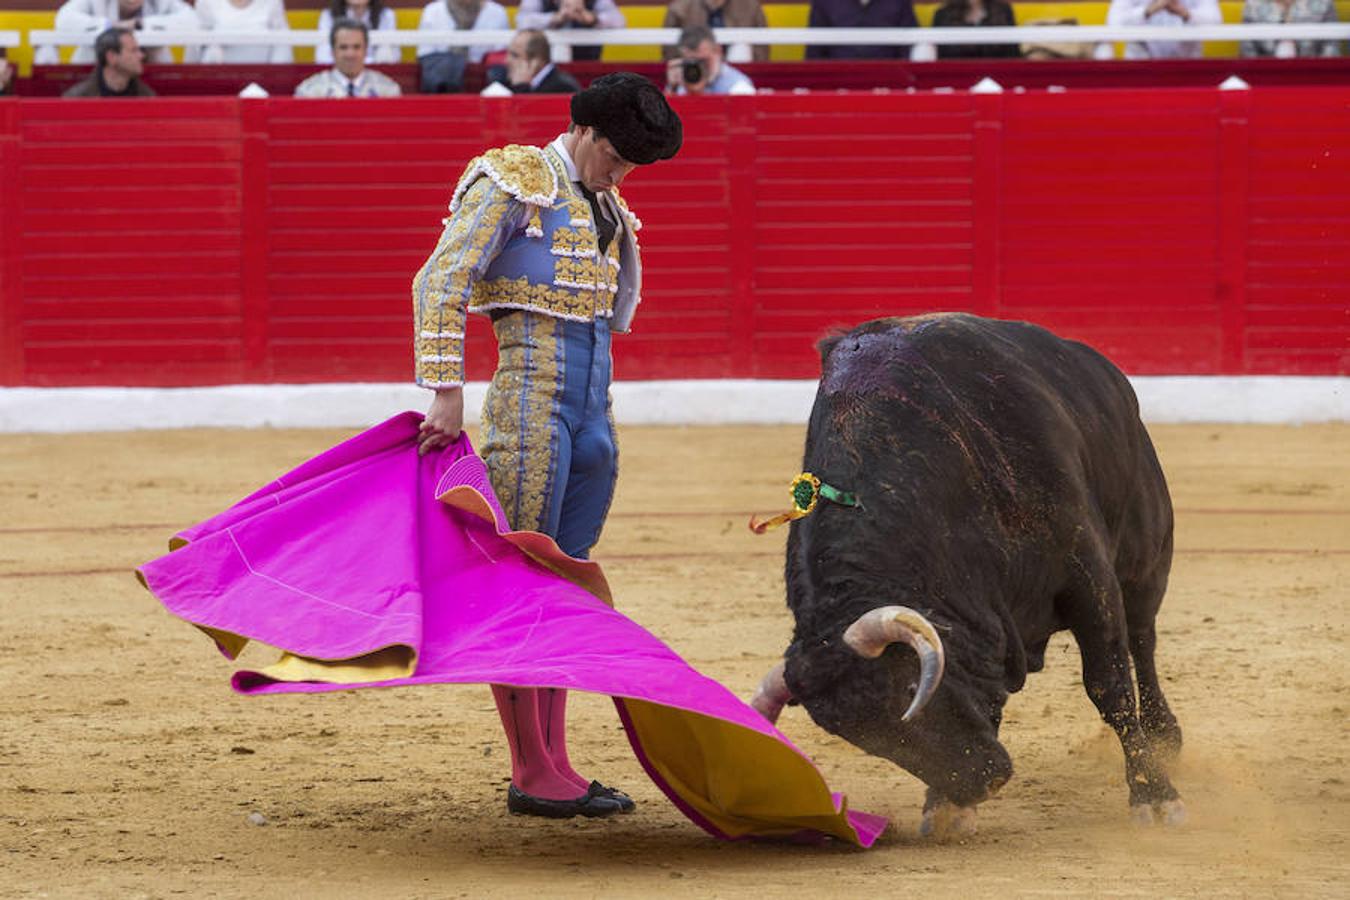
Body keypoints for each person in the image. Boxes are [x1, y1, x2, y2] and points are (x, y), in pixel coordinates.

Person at [412, 72, 682, 818]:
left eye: (632, 166)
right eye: (615, 157)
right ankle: (532, 769)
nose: (621, 175)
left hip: (592, 417)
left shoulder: (607, 205)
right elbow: (440, 280)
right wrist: (446, 389)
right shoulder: (516, 179)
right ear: (585, 132)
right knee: (523, 582)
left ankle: (556, 760)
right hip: (530, 409)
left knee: (564, 586)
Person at [53, 0, 195, 65]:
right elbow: (63, 19)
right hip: (96, 70)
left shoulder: (161, 2)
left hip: (153, 69)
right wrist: (111, 25)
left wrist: (141, 24)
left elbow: (191, 20)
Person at [416, 0, 510, 91]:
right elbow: (425, 54)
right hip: (443, 84)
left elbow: (501, 56)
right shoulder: (432, 11)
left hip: (484, 81)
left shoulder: (497, 12)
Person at [296, 18, 402, 96]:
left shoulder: (387, 90)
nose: (350, 54)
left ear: (366, 50)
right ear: (332, 51)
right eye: (343, 47)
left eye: (356, 47)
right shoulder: (310, 91)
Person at [1104, 0, 1222, 59]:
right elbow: (1113, 23)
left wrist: (1186, 13)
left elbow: (1216, 22)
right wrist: (1147, 11)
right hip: (1138, 68)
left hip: (1188, 67)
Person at [516, 0, 626, 62]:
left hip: (588, 66)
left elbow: (619, 21)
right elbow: (522, 21)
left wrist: (592, 18)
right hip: (545, 69)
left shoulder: (596, 1)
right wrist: (555, 18)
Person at [662, 0, 769, 63]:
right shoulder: (679, 9)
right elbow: (670, 55)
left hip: (739, 79)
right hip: (694, 75)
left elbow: (761, 53)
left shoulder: (751, 7)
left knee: (741, 48)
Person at [806, 0, 917, 59]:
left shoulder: (899, 2)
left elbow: (911, 48)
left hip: (889, 82)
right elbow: (814, 54)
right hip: (837, 82)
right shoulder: (824, 2)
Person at [62, 26, 156, 96]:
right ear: (111, 57)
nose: (141, 55)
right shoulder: (77, 97)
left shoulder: (147, 96)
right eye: (133, 50)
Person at [192, 0, 293, 64]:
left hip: (264, 80)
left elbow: (283, 47)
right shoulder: (205, 3)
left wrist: (272, 78)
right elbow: (196, 50)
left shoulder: (272, 2)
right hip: (218, 78)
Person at [665, 24, 753, 94]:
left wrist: (699, 92)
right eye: (691, 63)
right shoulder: (679, 82)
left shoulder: (738, 87)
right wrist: (672, 89)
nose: (697, 68)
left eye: (703, 61)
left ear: (718, 51)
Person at [1241, 0, 1341, 57]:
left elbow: (1331, 52)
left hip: (1314, 76)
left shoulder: (1323, 3)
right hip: (1265, 78)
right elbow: (1248, 55)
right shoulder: (1253, 5)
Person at [317, 0, 399, 65]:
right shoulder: (328, 15)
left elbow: (393, 57)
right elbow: (323, 57)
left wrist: (354, 62)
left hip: (375, 74)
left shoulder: (386, 15)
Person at [930, 0, 1019, 58]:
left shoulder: (1004, 11)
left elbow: (1014, 54)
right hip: (955, 77)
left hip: (998, 76)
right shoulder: (942, 15)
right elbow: (939, 57)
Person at [506, 29, 582, 93]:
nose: (507, 60)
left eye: (515, 55)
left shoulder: (562, 87)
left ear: (536, 61)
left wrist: (520, 87)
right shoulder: (510, 82)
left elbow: (527, 106)